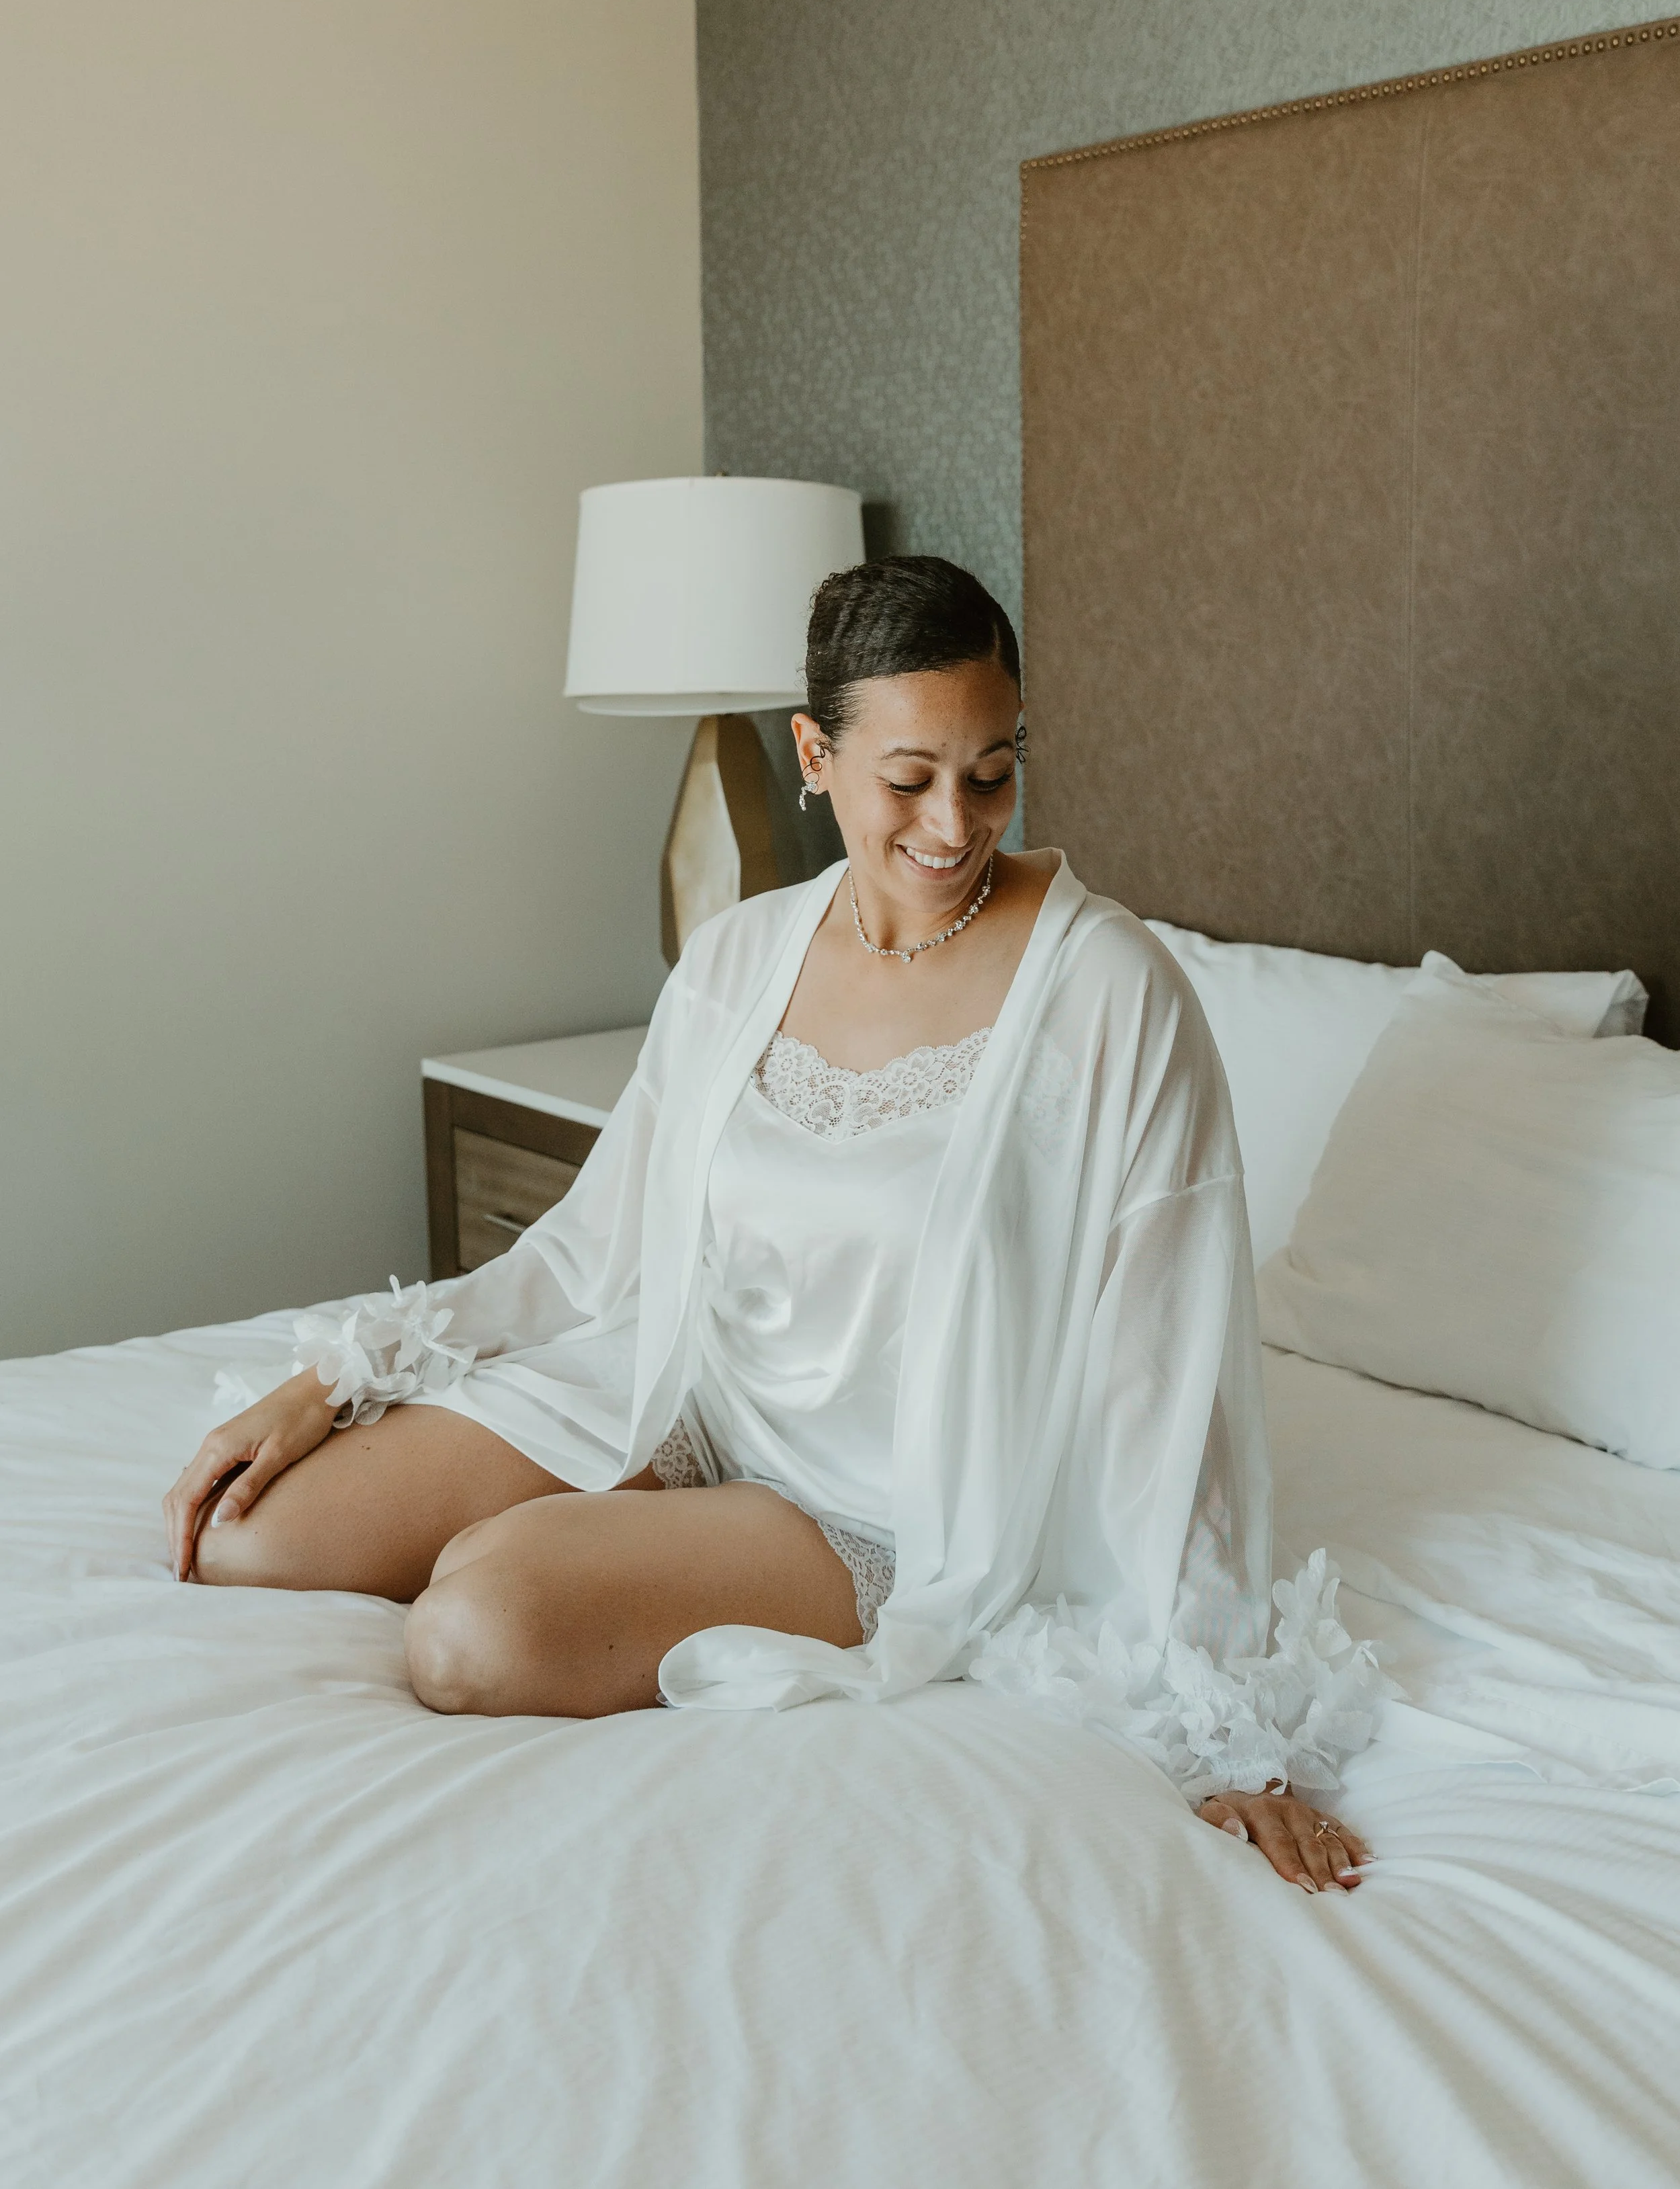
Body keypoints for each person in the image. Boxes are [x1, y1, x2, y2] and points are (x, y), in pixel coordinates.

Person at [165, 555, 1380, 1892]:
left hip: (867, 1501)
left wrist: (1224, 1733)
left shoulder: (1111, 995)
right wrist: (335, 1374)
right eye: (907, 776)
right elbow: (589, 1249)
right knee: (251, 1543)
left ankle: (598, 1555)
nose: (953, 821)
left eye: (991, 769)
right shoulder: (740, 956)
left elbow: (1174, 1370)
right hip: (684, 1399)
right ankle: (604, 1534)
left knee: (469, 1632)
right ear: (814, 752)